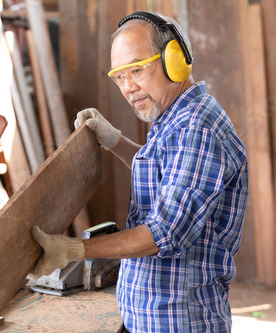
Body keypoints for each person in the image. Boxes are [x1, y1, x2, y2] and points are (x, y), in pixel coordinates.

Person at [30, 11, 249, 333]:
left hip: (177, 318)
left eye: (137, 69)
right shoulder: (176, 117)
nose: (128, 87)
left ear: (175, 60)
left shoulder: (194, 129)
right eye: (119, 76)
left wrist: (74, 250)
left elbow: (165, 233)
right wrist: (114, 140)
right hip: (154, 312)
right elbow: (168, 176)